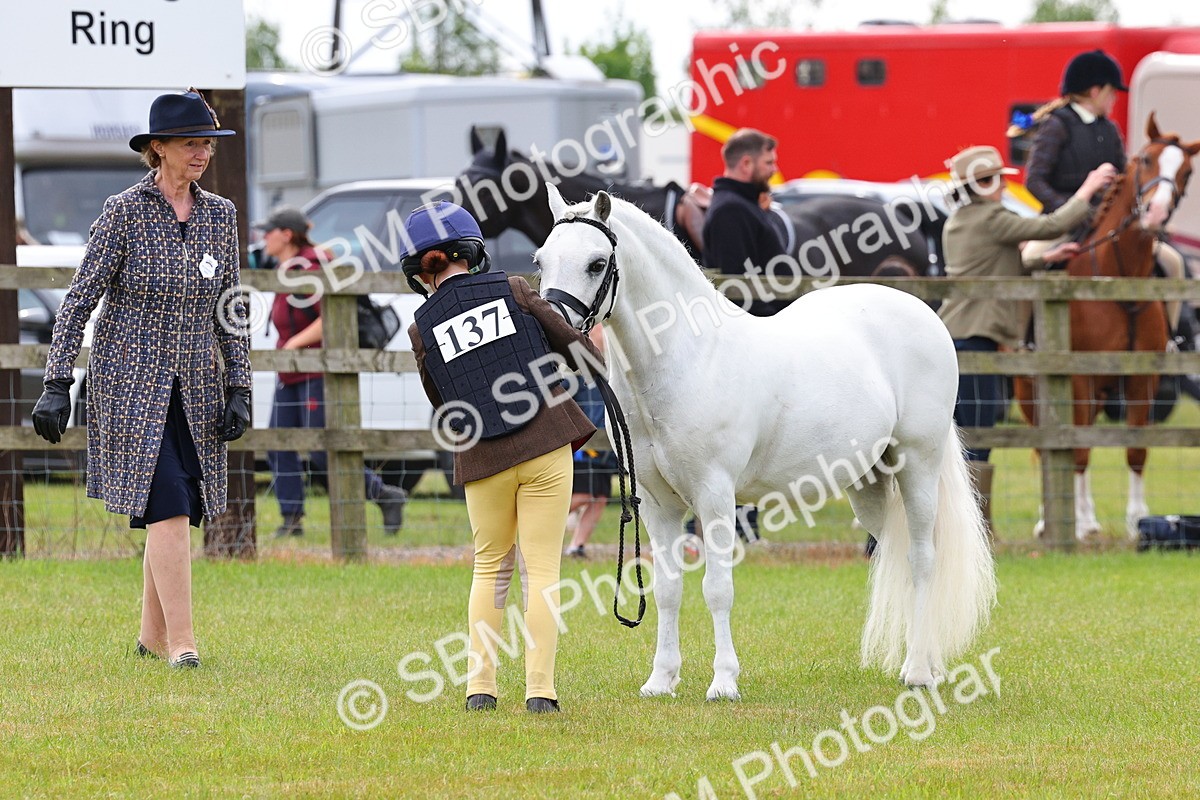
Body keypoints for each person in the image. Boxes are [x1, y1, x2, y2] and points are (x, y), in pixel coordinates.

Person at [31, 89, 252, 669]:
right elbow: (79, 300)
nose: (202, 152)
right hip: (129, 384)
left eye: (206, 142)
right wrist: (57, 380)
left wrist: (240, 387)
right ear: (158, 149)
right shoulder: (124, 210)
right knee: (171, 503)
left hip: (197, 384)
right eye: (190, 142)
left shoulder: (220, 215)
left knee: (177, 506)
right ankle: (184, 644)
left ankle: (151, 639)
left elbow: (230, 305)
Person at [402, 201, 602, 714]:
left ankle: (480, 688)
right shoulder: (514, 289)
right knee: (542, 572)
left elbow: (442, 400)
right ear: (472, 251)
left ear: (419, 268)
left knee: (490, 570)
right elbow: (578, 350)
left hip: (483, 458)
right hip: (545, 442)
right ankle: (541, 692)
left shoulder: (421, 327)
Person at [939, 145, 1115, 530]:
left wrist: (1041, 260)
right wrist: (1087, 189)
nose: (1001, 186)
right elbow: (1051, 226)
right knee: (977, 440)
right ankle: (975, 531)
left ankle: (953, 529)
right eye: (992, 180)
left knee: (945, 442)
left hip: (952, 339)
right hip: (977, 340)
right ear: (979, 187)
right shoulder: (992, 218)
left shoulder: (960, 220)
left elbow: (988, 267)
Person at [257, 205, 408, 539]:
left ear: (286, 235)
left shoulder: (310, 267)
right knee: (277, 443)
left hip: (315, 371)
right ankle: (291, 519)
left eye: (268, 231)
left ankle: (384, 495)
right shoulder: (286, 266)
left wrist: (294, 343)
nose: (262, 237)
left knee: (322, 448)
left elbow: (332, 317)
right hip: (290, 373)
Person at [1022, 48, 1187, 335]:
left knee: (1172, 263)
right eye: (1112, 93)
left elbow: (1126, 180)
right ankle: (1024, 339)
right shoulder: (1056, 126)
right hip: (1060, 222)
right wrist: (1074, 213)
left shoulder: (1109, 129)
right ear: (1096, 91)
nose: (1113, 100)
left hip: (1108, 222)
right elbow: (1034, 181)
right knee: (1027, 262)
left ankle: (1172, 342)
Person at [701, 128, 789, 317]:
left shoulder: (742, 205)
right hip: (765, 329)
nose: (774, 170)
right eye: (769, 163)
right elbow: (737, 290)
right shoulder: (731, 211)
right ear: (746, 163)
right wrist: (773, 324)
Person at [564, 325, 614, 559]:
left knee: (600, 497)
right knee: (582, 494)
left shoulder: (615, 369)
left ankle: (577, 546)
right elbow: (564, 395)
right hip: (585, 447)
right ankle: (536, 526)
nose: (603, 335)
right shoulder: (580, 370)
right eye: (598, 330)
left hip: (607, 447)